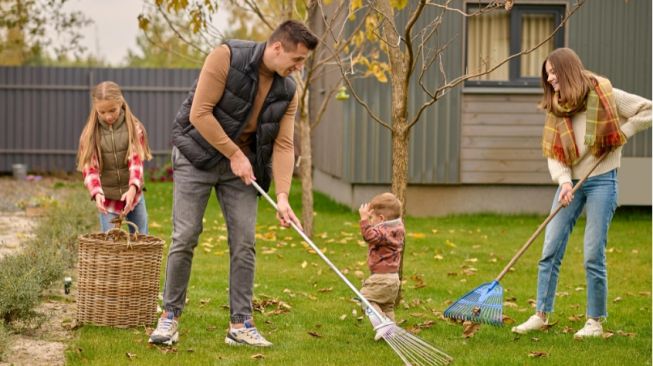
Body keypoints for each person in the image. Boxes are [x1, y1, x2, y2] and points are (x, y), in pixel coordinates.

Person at [148, 20, 318, 347]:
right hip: (197, 155)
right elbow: (200, 113)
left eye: (303, 63)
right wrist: (233, 154)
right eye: (296, 60)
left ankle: (240, 325)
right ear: (277, 47)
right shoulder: (226, 56)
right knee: (185, 235)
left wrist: (283, 196)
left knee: (244, 241)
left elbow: (284, 145)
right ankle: (169, 317)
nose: (299, 68)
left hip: (241, 167)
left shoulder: (288, 90)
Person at [511, 48, 651, 338]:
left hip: (602, 180)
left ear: (568, 70)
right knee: (550, 248)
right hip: (569, 184)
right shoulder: (557, 107)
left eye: (553, 72)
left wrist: (623, 132)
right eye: (547, 74)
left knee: (592, 252)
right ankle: (540, 313)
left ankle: (594, 322)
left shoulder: (604, 93)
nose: (550, 79)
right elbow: (554, 153)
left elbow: (647, 109)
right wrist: (563, 181)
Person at [76, 81, 152, 234]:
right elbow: (90, 169)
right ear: (96, 109)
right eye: (102, 112)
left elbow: (136, 163)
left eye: (112, 110)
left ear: (121, 102)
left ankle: (138, 260)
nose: (108, 116)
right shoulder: (90, 135)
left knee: (141, 238)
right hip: (108, 200)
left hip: (134, 196)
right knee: (110, 244)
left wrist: (132, 189)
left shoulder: (134, 128)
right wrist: (96, 193)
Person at [357, 193, 404, 341]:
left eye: (372, 218)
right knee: (386, 307)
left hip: (381, 278)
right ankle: (391, 334)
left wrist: (364, 220)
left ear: (382, 219)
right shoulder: (398, 228)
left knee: (365, 298)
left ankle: (383, 325)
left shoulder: (383, 232)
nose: (371, 222)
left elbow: (369, 236)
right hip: (394, 279)